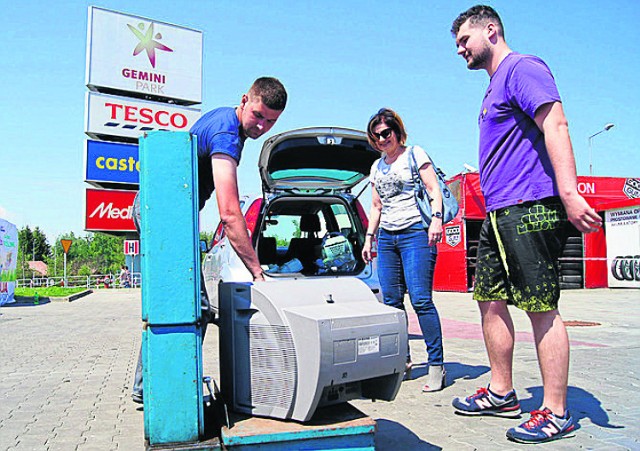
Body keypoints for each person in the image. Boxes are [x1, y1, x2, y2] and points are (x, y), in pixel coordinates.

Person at [450, 5, 602, 444]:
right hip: (499, 210)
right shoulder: (493, 85)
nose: (460, 50)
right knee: (489, 301)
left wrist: (571, 193)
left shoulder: (522, 68)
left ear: (491, 30)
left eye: (465, 40)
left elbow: (555, 122)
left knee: (539, 305)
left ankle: (555, 411)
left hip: (530, 205)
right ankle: (502, 392)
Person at [131, 77, 288, 404]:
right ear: (245, 99)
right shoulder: (227, 133)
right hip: (163, 214)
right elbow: (230, 213)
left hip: (167, 211)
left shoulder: (224, 120)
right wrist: (257, 270)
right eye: (258, 115)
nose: (261, 126)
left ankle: (147, 386)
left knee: (178, 305)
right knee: (193, 307)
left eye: (271, 121)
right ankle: (157, 390)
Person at [362, 108, 446, 393]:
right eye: (376, 136)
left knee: (421, 300)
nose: (382, 139)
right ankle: (403, 362)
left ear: (397, 132)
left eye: (386, 133)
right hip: (387, 237)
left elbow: (433, 189)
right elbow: (376, 206)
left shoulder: (415, 154)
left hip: (415, 234)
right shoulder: (377, 167)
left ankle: (436, 365)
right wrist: (369, 237)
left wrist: (436, 220)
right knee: (392, 303)